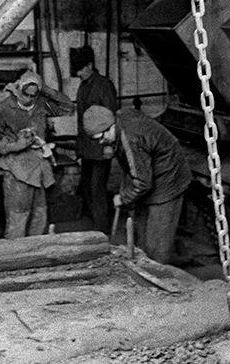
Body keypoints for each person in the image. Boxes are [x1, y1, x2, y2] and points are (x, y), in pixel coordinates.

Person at [81, 105, 192, 264]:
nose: (100, 142)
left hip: (169, 179)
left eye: (101, 137)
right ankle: (145, 263)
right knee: (140, 235)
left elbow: (142, 182)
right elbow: (132, 168)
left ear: (111, 126)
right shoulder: (119, 120)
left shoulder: (131, 138)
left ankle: (158, 277)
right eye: (96, 139)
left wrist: (124, 197)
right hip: (151, 170)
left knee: (157, 243)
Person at [0, 70, 74, 239]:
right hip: (17, 171)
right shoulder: (3, 108)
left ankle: (36, 257)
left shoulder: (41, 104)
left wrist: (45, 88)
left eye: (34, 95)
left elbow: (68, 107)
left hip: (38, 169)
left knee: (39, 217)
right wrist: (13, 146)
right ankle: (16, 258)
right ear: (17, 89)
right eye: (26, 95)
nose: (29, 99)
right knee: (18, 218)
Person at [70, 45, 118, 234]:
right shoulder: (83, 85)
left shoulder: (103, 85)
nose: (79, 73)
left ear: (90, 65)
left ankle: (102, 231)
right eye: (77, 70)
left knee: (97, 190)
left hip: (100, 147)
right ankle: (94, 225)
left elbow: (111, 116)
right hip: (87, 148)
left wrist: (109, 146)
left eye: (81, 69)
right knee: (87, 188)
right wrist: (79, 148)